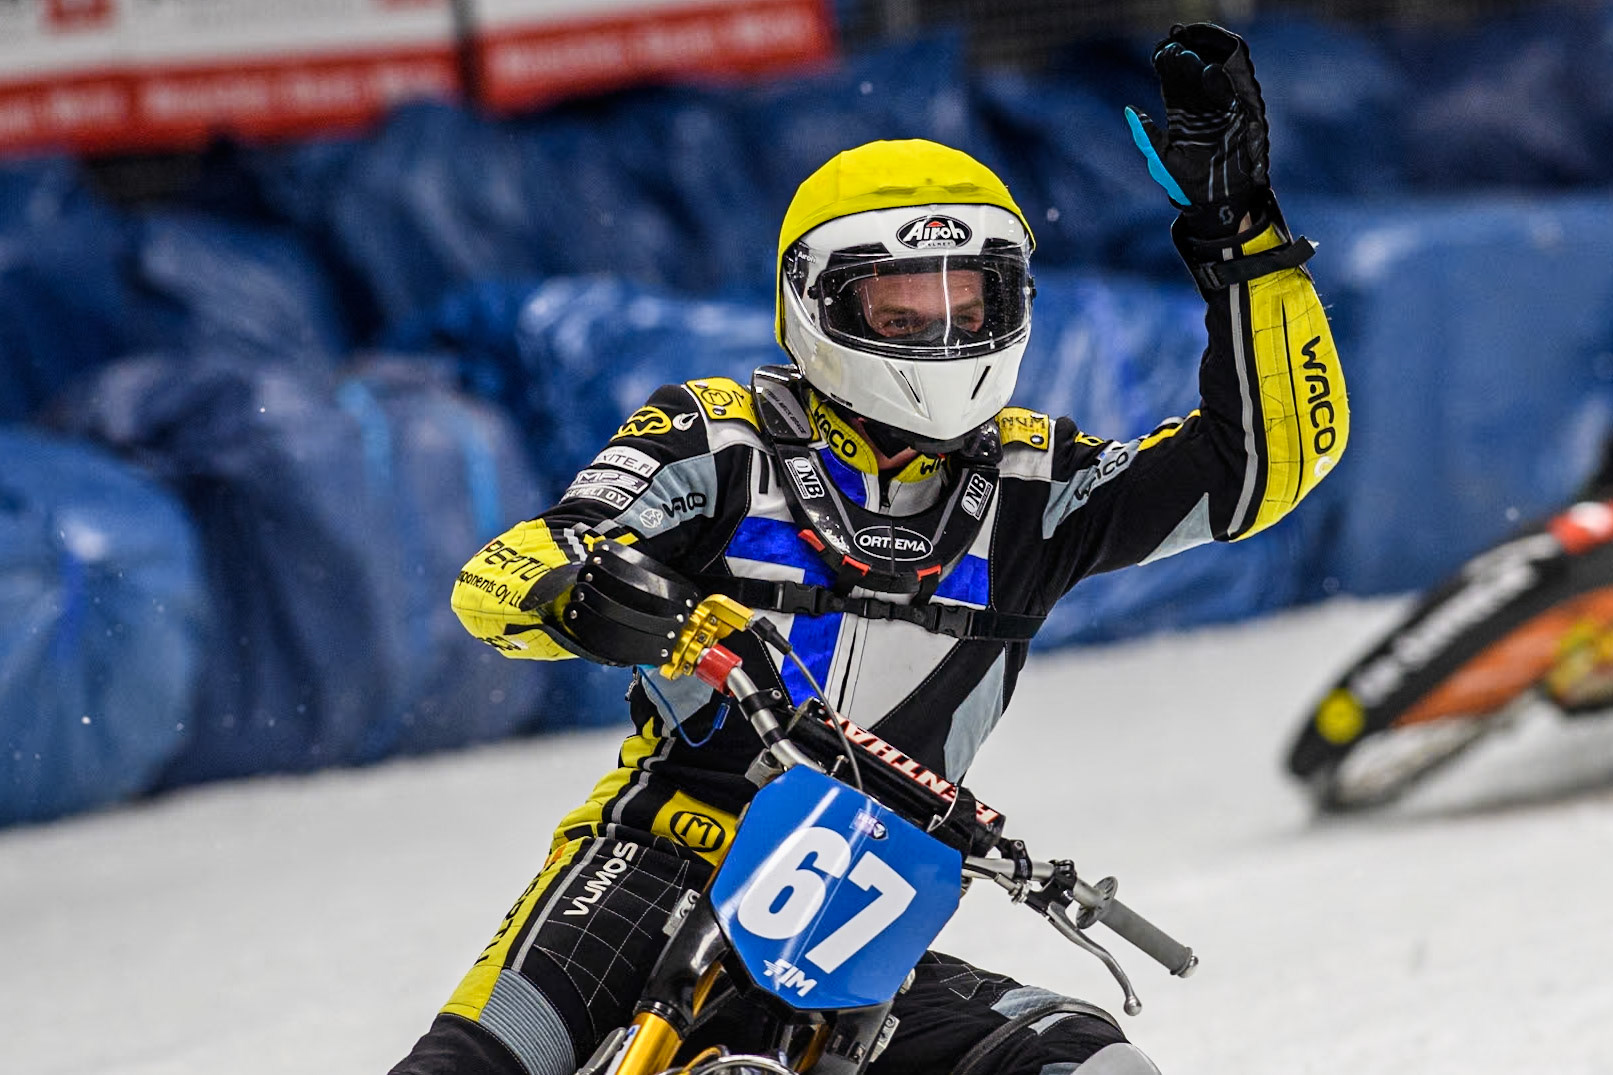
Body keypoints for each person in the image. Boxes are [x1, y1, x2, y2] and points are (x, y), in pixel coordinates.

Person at [394, 23, 1347, 1075]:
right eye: (899, 304)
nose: (939, 331)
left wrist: (1242, 243)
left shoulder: (1036, 486)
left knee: (1096, 1066)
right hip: (658, 864)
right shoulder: (713, 436)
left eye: (967, 296)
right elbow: (502, 574)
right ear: (814, 302)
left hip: (858, 910)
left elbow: (1263, 467)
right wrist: (593, 592)